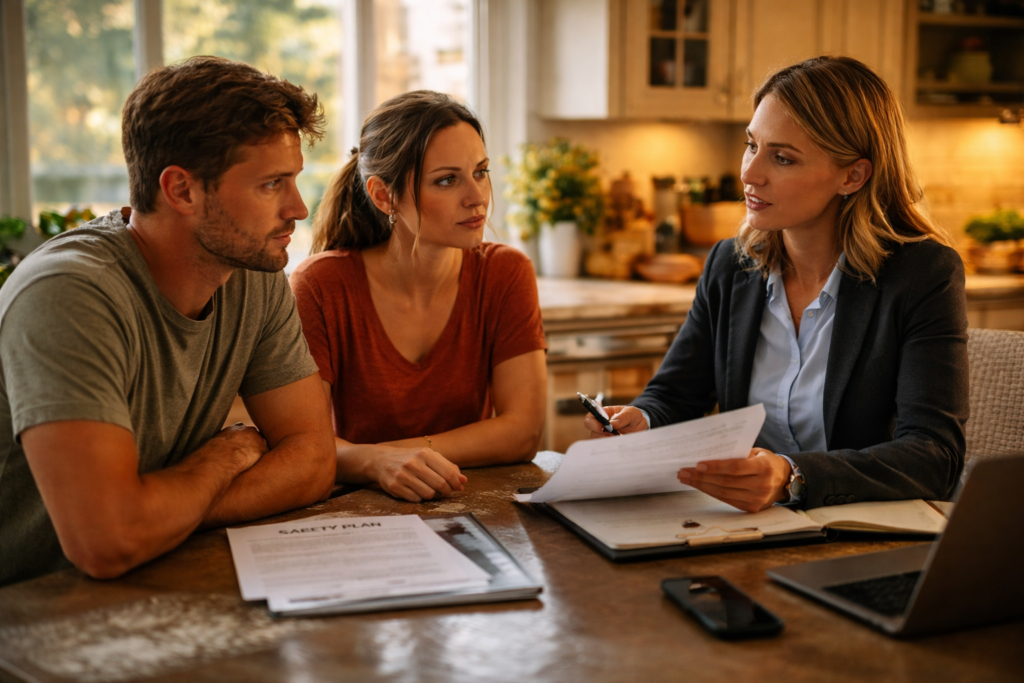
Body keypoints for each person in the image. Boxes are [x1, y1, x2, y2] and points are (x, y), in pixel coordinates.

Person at [0, 56, 337, 586]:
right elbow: (107, 541)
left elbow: (313, 461)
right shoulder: (68, 294)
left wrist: (158, 513)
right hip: (31, 612)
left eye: (294, 180)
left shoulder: (252, 272)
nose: (298, 208)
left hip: (151, 584)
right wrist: (221, 460)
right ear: (181, 190)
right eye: (272, 184)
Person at [584, 56, 968, 512]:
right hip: (747, 529)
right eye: (752, 145)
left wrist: (792, 476)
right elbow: (676, 393)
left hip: (860, 537)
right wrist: (640, 420)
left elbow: (934, 456)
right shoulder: (730, 265)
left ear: (853, 176)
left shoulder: (923, 275)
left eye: (782, 157)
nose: (749, 173)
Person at [290, 91, 547, 504]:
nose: (476, 196)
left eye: (480, 172)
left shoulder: (505, 273)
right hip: (355, 511)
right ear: (383, 196)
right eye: (447, 180)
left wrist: (388, 456)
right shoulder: (321, 287)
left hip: (471, 505)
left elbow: (523, 432)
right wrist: (376, 465)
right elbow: (300, 445)